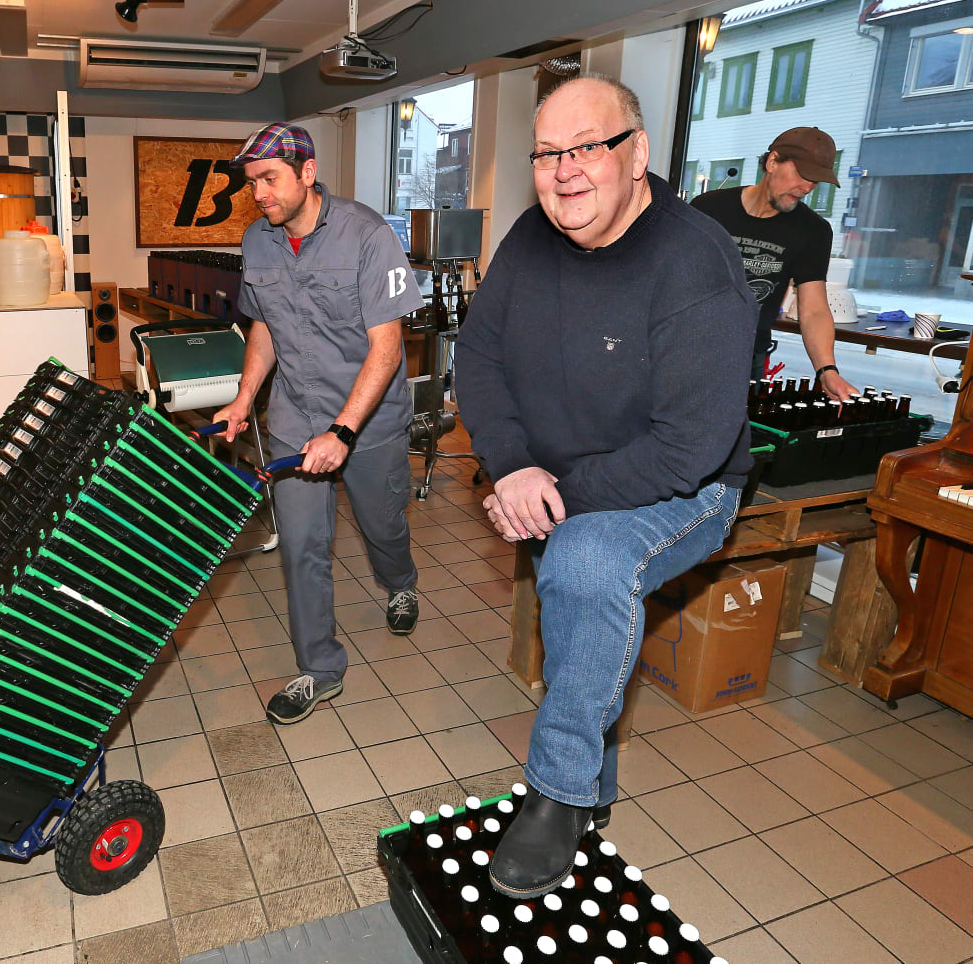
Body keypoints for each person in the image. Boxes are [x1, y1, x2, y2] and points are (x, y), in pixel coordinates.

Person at [454, 76, 753, 898]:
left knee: (584, 562)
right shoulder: (530, 237)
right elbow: (477, 356)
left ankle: (559, 791)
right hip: (560, 472)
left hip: (683, 486)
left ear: (637, 152)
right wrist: (510, 466)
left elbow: (687, 448)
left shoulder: (694, 262)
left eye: (588, 146)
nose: (565, 170)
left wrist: (550, 495)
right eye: (547, 153)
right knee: (579, 595)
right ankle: (593, 782)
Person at [215, 123, 424, 725]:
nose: (259, 194)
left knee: (382, 526)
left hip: (368, 422)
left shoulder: (368, 235)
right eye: (252, 183)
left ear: (308, 172)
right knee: (302, 544)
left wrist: (344, 432)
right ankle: (320, 668)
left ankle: (400, 581)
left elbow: (387, 348)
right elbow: (264, 325)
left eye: (269, 179)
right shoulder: (258, 241)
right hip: (294, 414)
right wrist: (244, 397)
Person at [692, 127, 858, 399]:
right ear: (772, 162)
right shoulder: (708, 209)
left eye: (815, 181)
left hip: (745, 359)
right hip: (682, 347)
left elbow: (814, 309)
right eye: (802, 174)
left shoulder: (812, 230)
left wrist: (827, 370)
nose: (807, 187)